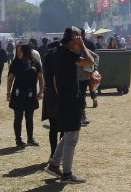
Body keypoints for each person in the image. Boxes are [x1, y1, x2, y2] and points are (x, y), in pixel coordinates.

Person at [45, 27, 94, 184]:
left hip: (64, 97)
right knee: (72, 137)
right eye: (79, 40)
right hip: (70, 98)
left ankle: (54, 165)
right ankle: (66, 174)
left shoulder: (58, 52)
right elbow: (90, 61)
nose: (81, 43)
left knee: (68, 135)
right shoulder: (67, 53)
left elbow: (54, 79)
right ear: (73, 40)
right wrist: (83, 46)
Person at [8, 43, 44, 147]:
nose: (18, 53)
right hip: (18, 94)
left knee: (30, 117)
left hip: (31, 94)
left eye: (20, 51)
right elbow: (10, 79)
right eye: (17, 51)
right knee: (18, 117)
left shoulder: (35, 62)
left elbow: (41, 78)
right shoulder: (15, 63)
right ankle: (18, 139)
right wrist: (8, 92)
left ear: (26, 51)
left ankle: (30, 138)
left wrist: (41, 91)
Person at [41, 40, 61, 161]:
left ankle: (53, 153)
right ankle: (58, 154)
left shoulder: (46, 56)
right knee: (63, 126)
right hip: (56, 93)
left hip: (48, 92)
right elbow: (55, 78)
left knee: (53, 126)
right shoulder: (56, 57)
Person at [78, 42, 100, 122]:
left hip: (84, 77)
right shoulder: (69, 50)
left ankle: (83, 116)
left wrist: (94, 68)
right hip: (73, 78)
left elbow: (96, 57)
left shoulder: (84, 49)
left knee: (82, 97)